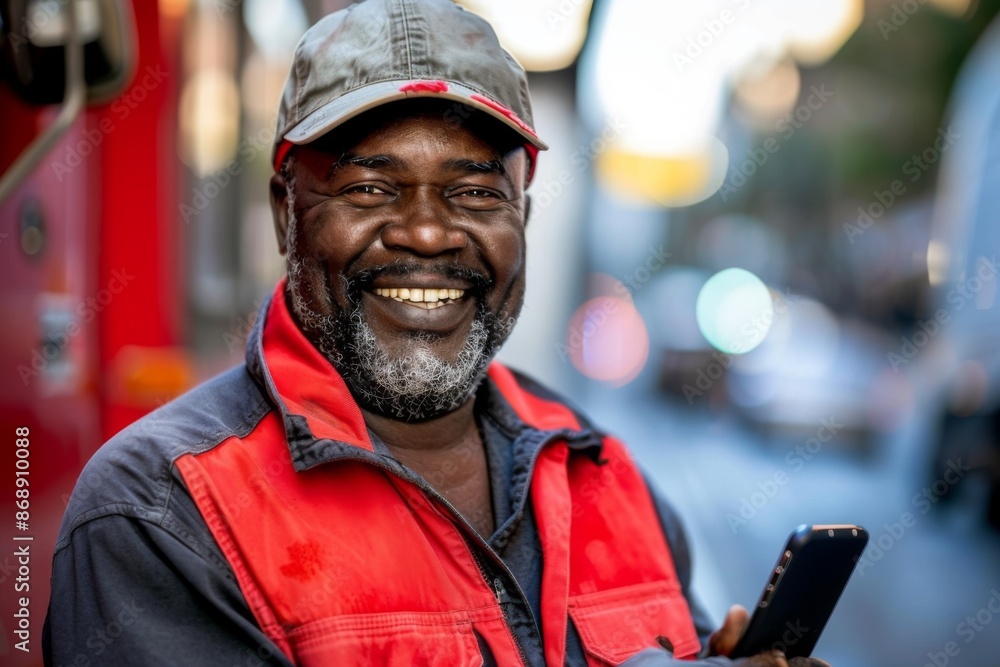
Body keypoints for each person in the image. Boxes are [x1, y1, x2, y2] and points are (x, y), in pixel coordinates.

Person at [43, 1, 828, 665]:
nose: (426, 232)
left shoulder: (608, 477)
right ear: (289, 212)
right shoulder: (158, 514)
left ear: (521, 215)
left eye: (475, 192)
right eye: (372, 186)